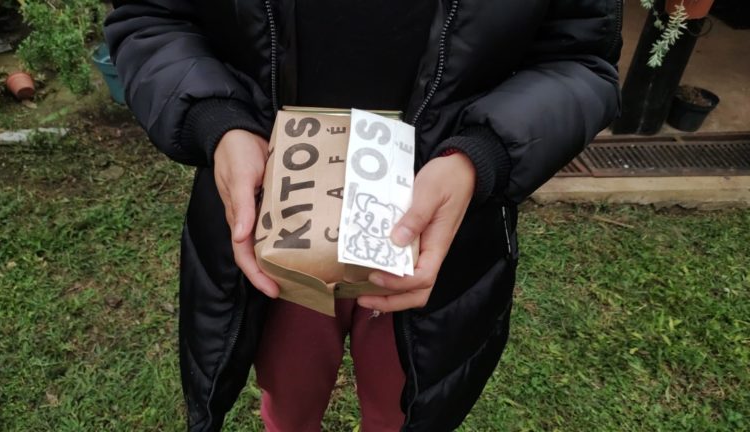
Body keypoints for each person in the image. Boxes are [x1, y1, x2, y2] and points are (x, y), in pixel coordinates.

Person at [105, 1, 622, 431]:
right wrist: (217, 120)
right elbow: (151, 16)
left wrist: (481, 157)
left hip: (437, 236)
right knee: (288, 398)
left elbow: (579, 58)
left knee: (403, 408)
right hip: (277, 219)